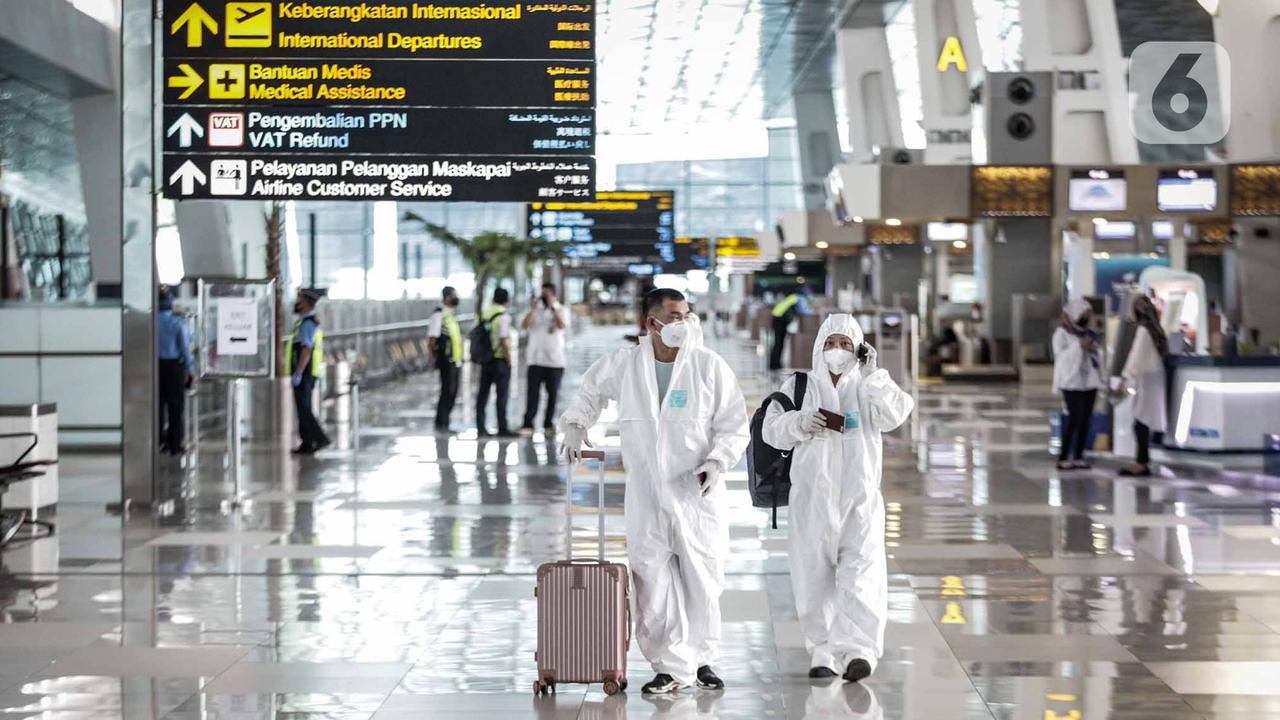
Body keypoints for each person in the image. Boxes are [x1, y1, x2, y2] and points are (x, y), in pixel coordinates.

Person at [559, 288, 750, 695]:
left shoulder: (707, 366)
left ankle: (702, 661)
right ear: (651, 323)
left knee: (703, 579)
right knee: (650, 579)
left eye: (686, 315)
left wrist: (717, 462)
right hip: (645, 493)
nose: (683, 323)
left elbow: (734, 423)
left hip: (696, 493)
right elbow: (590, 393)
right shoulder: (626, 365)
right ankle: (667, 665)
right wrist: (576, 424)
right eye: (674, 316)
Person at [761, 314, 913, 683]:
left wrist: (876, 375)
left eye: (846, 344)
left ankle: (859, 650)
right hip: (811, 502)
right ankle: (824, 650)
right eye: (831, 344)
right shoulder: (800, 385)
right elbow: (770, 431)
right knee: (813, 579)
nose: (837, 351)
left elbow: (895, 415)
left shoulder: (868, 385)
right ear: (819, 347)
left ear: (858, 348)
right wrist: (799, 422)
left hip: (858, 502)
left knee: (861, 575)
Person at [1052, 298, 1104, 471]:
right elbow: (1060, 359)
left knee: (1085, 420)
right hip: (1071, 382)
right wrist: (1079, 348)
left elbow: (1099, 356)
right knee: (1074, 419)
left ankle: (1079, 456)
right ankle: (1064, 456)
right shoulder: (1061, 334)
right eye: (1083, 315)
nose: (1085, 319)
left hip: (1089, 382)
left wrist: (1094, 349)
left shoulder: (1087, 333)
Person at [1119, 295, 1168, 477]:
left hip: (1144, 380)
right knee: (1144, 420)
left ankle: (1141, 463)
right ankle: (1142, 461)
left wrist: (1125, 377)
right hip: (1154, 378)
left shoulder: (1143, 330)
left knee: (1140, 421)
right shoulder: (1157, 330)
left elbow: (1135, 356)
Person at [519, 282, 569, 435]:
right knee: (532, 394)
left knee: (553, 394)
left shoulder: (561, 309)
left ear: (554, 295)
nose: (544, 298)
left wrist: (553, 308)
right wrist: (534, 308)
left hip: (555, 361)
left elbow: (562, 325)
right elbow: (524, 326)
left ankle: (548, 423)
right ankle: (528, 423)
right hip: (535, 360)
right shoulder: (535, 311)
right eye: (542, 295)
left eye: (547, 295)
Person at [286, 289, 330, 454]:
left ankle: (320, 438)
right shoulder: (304, 322)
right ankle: (307, 442)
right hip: (306, 372)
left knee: (304, 408)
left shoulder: (307, 324)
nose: (296, 303)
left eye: (299, 300)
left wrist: (298, 372)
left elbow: (306, 350)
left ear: (305, 304)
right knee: (302, 408)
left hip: (305, 372)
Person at [157, 287, 194, 455]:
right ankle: (174, 444)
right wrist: (190, 368)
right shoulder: (178, 323)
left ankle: (158, 442)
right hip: (174, 368)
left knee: (157, 407)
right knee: (175, 408)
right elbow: (185, 348)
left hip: (156, 367)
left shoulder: (151, 322)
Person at [476, 287, 516, 437]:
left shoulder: (485, 313)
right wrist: (509, 360)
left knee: (483, 395)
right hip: (500, 360)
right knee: (502, 395)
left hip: (486, 359)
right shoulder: (503, 316)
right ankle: (502, 428)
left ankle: (481, 427)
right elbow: (504, 340)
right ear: (507, 300)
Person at [427, 286, 464, 432]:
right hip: (445, 360)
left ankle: (445, 422)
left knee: (453, 392)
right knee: (447, 391)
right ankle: (441, 423)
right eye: (454, 295)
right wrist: (434, 359)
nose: (456, 298)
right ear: (447, 297)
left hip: (455, 360)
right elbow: (432, 339)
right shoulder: (439, 315)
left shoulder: (450, 315)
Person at [769, 287, 813, 371]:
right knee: (779, 343)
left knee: (778, 343)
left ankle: (775, 364)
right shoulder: (799, 298)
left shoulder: (793, 297)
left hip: (777, 318)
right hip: (780, 320)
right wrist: (814, 311)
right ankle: (775, 365)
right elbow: (804, 311)